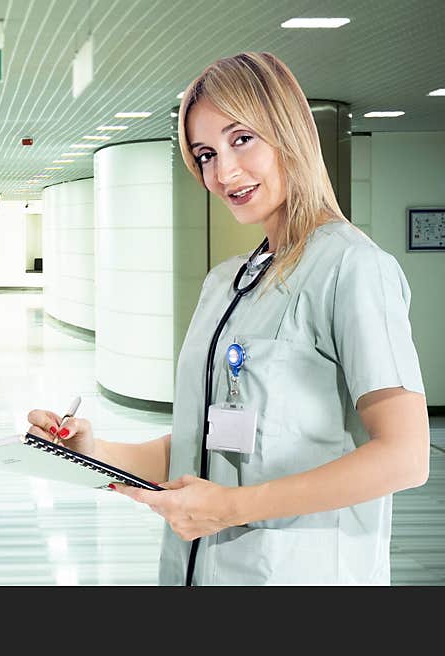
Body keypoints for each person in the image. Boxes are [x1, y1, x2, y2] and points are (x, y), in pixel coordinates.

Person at [27, 52, 429, 585]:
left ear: (288, 131)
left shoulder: (353, 269)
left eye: (242, 139)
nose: (224, 172)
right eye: (205, 154)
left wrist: (234, 506)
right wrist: (95, 452)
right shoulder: (226, 284)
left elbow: (405, 456)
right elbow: (203, 444)